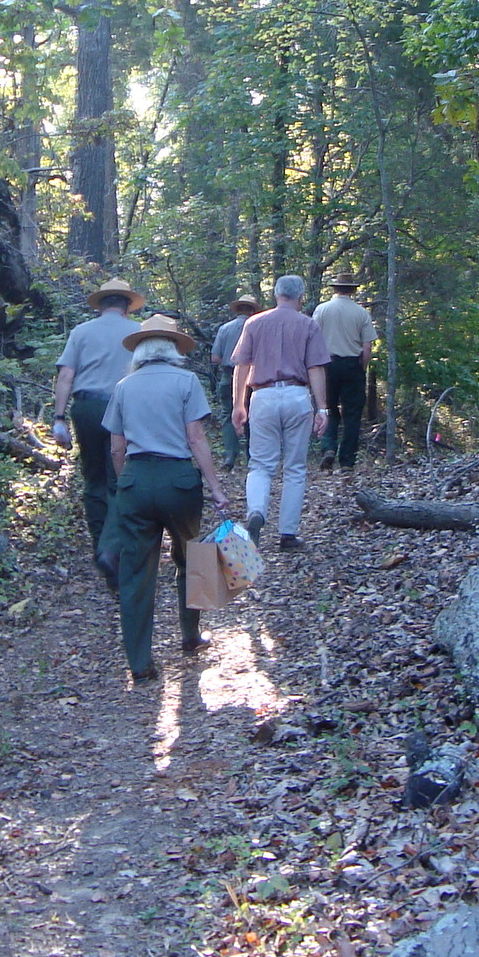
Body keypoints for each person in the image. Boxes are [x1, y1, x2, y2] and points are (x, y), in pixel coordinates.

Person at [96, 315, 232, 682]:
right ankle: (190, 635)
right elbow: (196, 439)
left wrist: (127, 482)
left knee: (137, 572)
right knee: (191, 558)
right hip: (179, 482)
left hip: (137, 480)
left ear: (140, 351)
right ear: (173, 350)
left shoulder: (124, 386)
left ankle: (139, 663)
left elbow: (116, 447)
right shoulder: (187, 381)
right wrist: (216, 488)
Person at [51, 277, 143, 583]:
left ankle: (100, 550)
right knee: (121, 477)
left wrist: (59, 417)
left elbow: (66, 374)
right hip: (125, 406)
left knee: (93, 480)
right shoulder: (138, 333)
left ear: (101, 305)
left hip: (86, 408)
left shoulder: (81, 332)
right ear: (127, 306)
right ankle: (112, 549)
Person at [230, 275, 330, 552]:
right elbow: (316, 368)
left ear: (276, 295)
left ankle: (256, 512)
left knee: (260, 464)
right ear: (300, 297)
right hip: (297, 395)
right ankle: (287, 534)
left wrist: (239, 404)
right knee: (295, 467)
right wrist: (322, 407)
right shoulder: (309, 324)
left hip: (263, 395)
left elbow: (241, 365)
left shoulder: (254, 323)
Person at [312, 273, 376, 471]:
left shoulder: (321, 310)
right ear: (353, 290)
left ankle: (329, 447)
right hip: (351, 365)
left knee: (327, 408)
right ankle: (347, 460)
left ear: (335, 289)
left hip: (326, 365)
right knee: (352, 414)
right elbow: (367, 347)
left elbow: (312, 340)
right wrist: (361, 368)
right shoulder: (361, 314)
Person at [209, 292, 261, 469]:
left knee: (228, 415)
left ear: (237, 310)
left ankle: (230, 457)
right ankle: (251, 457)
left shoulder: (225, 328)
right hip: (252, 377)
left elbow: (215, 358)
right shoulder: (258, 327)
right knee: (252, 415)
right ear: (253, 310)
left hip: (228, 375)